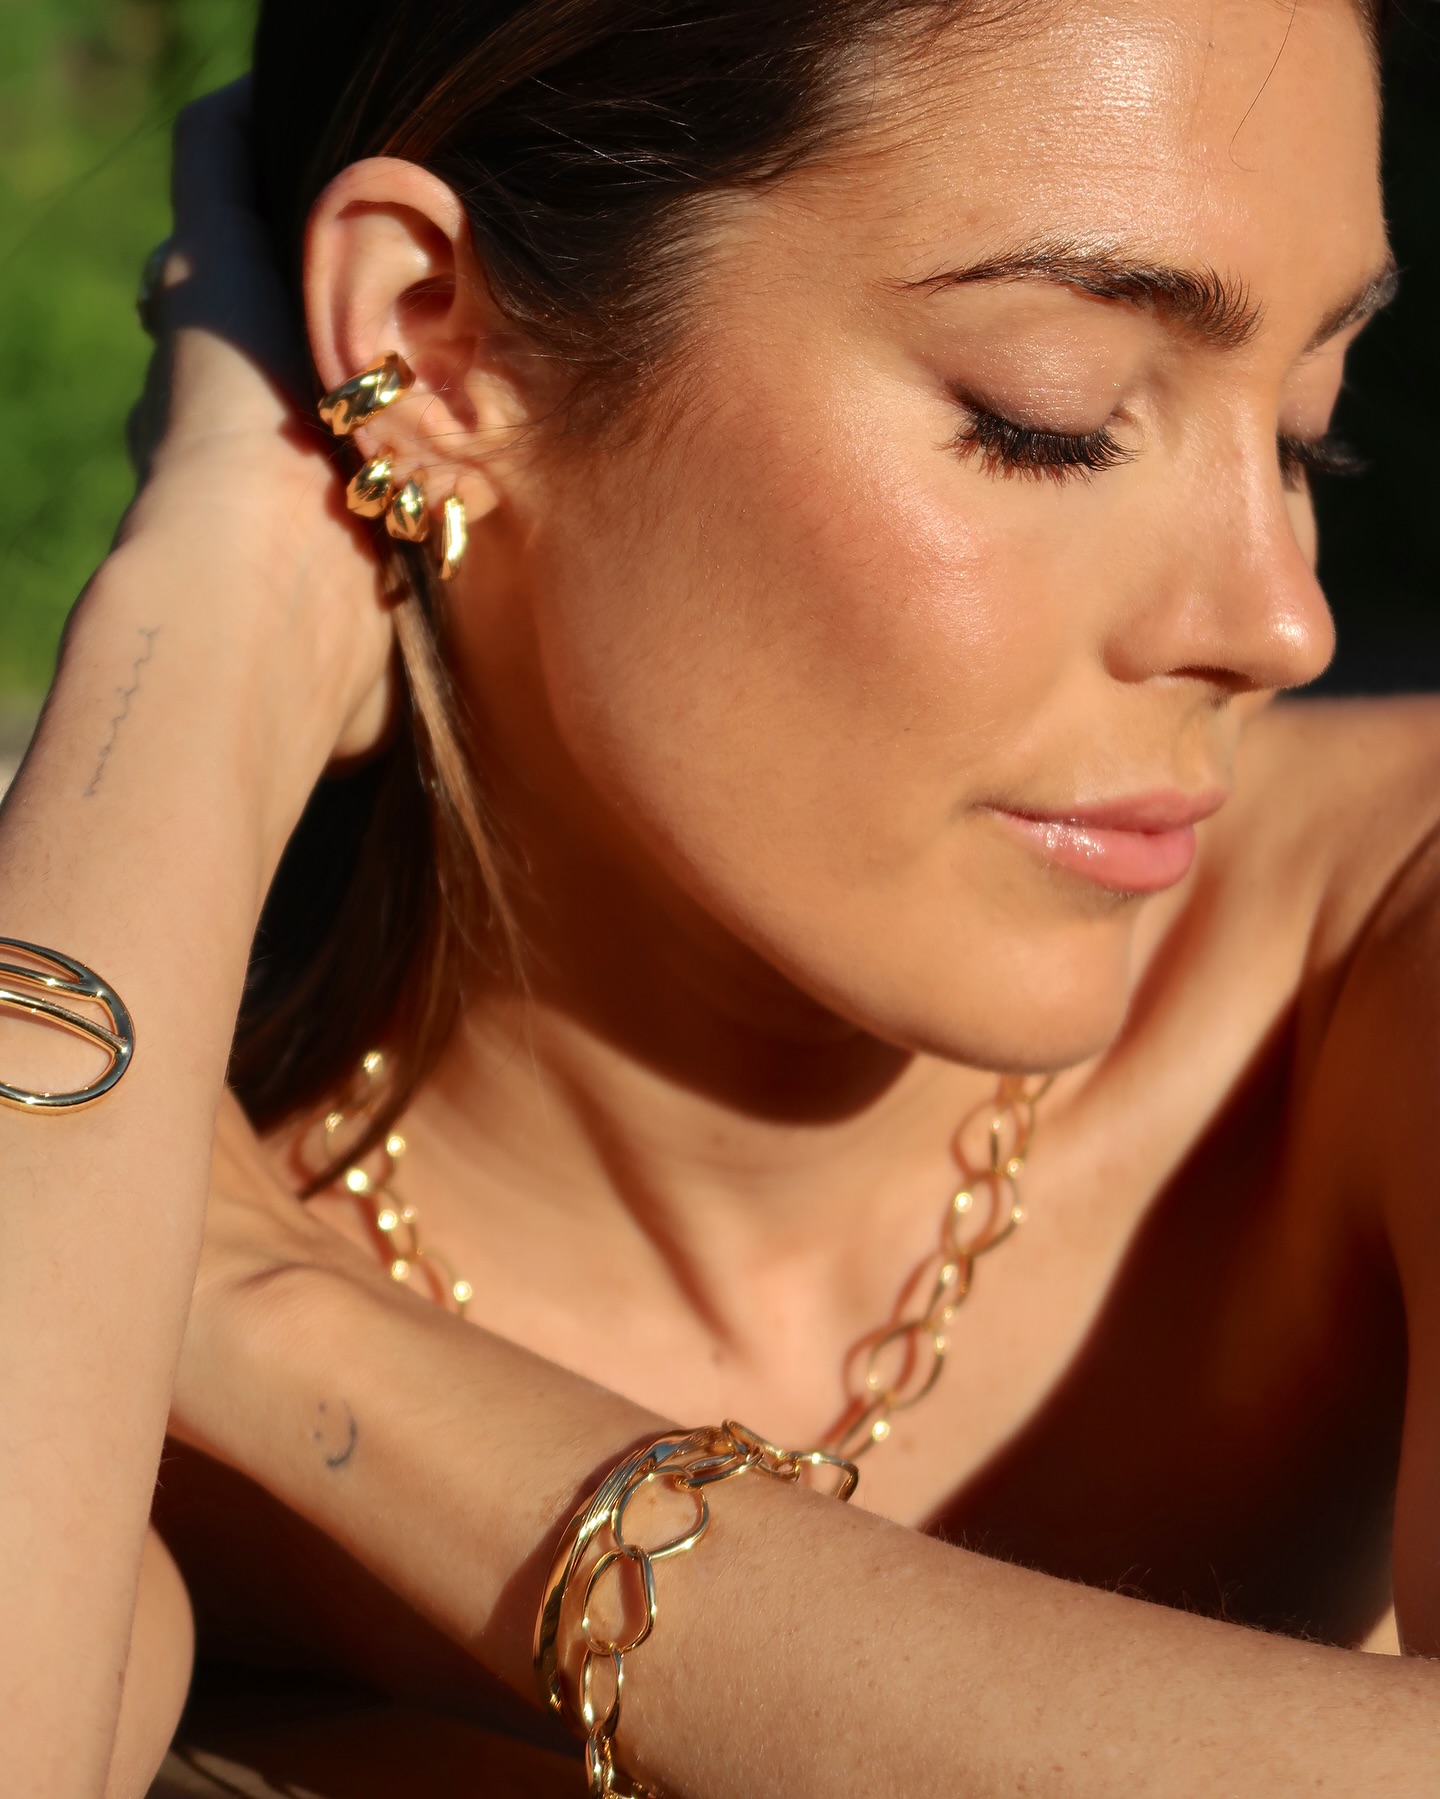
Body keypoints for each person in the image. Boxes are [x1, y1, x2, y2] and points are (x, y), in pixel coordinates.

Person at [4, 0, 1440, 1792]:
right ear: (437, 350)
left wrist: (291, 1341)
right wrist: (199, 635)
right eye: (1053, 421)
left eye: (1305, 431)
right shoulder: (82, 1261)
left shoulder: (1379, 934)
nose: (1282, 618)